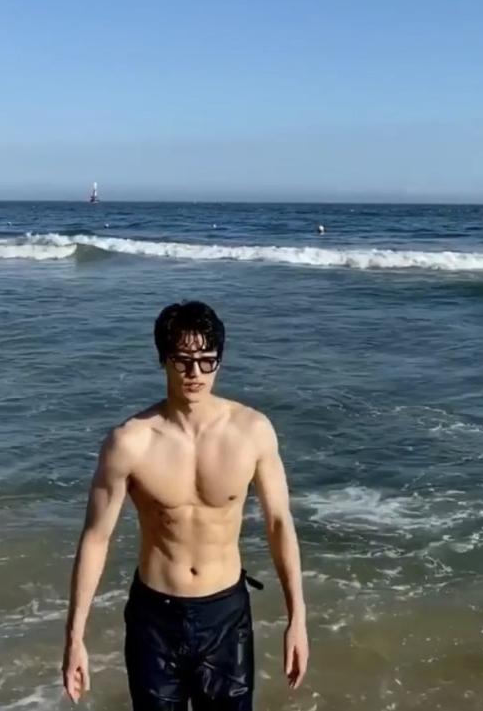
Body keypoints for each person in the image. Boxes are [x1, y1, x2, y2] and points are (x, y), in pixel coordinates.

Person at [62, 301, 308, 710]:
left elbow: (279, 523)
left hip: (225, 616)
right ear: (163, 359)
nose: (195, 373)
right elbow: (96, 538)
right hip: (155, 619)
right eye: (182, 360)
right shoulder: (130, 442)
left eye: (207, 360)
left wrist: (296, 618)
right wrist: (75, 638)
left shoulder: (252, 432)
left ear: (219, 361)